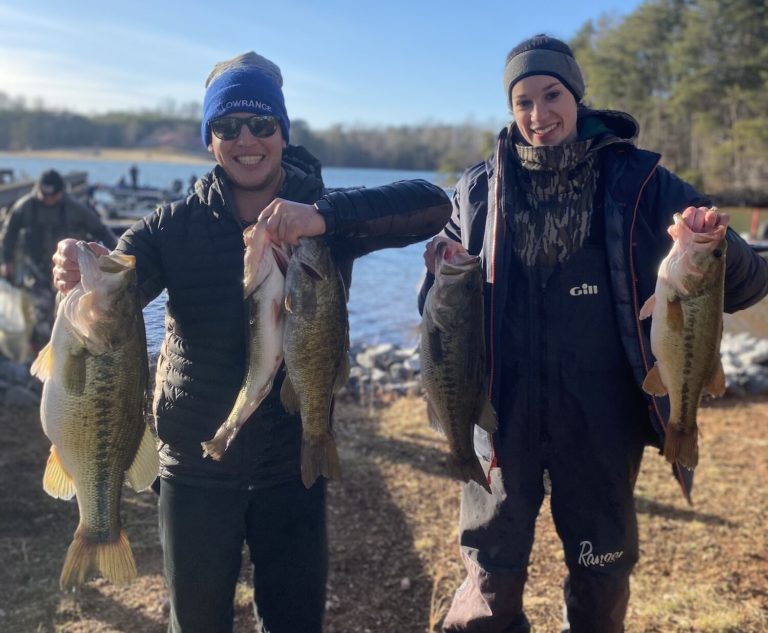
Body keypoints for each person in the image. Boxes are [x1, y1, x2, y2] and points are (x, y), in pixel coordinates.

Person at [53, 51, 451, 633]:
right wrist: (74, 265)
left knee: (293, 621)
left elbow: (432, 204)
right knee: (197, 622)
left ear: (283, 134)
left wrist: (323, 218)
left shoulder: (324, 216)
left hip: (292, 465)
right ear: (209, 140)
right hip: (193, 469)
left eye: (262, 125)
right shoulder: (171, 226)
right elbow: (110, 305)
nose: (247, 139)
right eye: (227, 126)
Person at [420, 34, 768, 633]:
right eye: (522, 102)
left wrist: (715, 241)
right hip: (502, 414)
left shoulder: (642, 181)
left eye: (551, 95)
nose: (538, 115)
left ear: (577, 96)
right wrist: (438, 270)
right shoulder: (476, 190)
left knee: (601, 567)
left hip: (602, 415)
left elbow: (747, 284)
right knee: (488, 567)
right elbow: (438, 309)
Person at [1, 168, 117, 348]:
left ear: (60, 192)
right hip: (36, 270)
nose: (48, 200)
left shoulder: (76, 209)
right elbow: (9, 233)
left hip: (69, 271)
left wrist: (116, 256)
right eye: (44, 196)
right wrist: (6, 261)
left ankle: (66, 350)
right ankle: (40, 352)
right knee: (39, 314)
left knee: (67, 314)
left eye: (52, 196)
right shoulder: (25, 207)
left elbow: (101, 230)